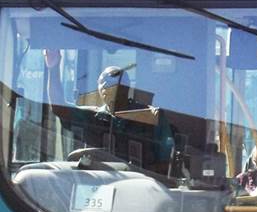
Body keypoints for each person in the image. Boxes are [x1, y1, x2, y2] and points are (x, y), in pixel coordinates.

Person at [43, 49, 171, 167]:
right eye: (102, 84)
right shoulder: (91, 117)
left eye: (112, 83)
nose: (106, 88)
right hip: (99, 182)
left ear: (127, 87)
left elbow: (167, 164)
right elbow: (59, 108)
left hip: (142, 182)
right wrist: (53, 68)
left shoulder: (152, 117)